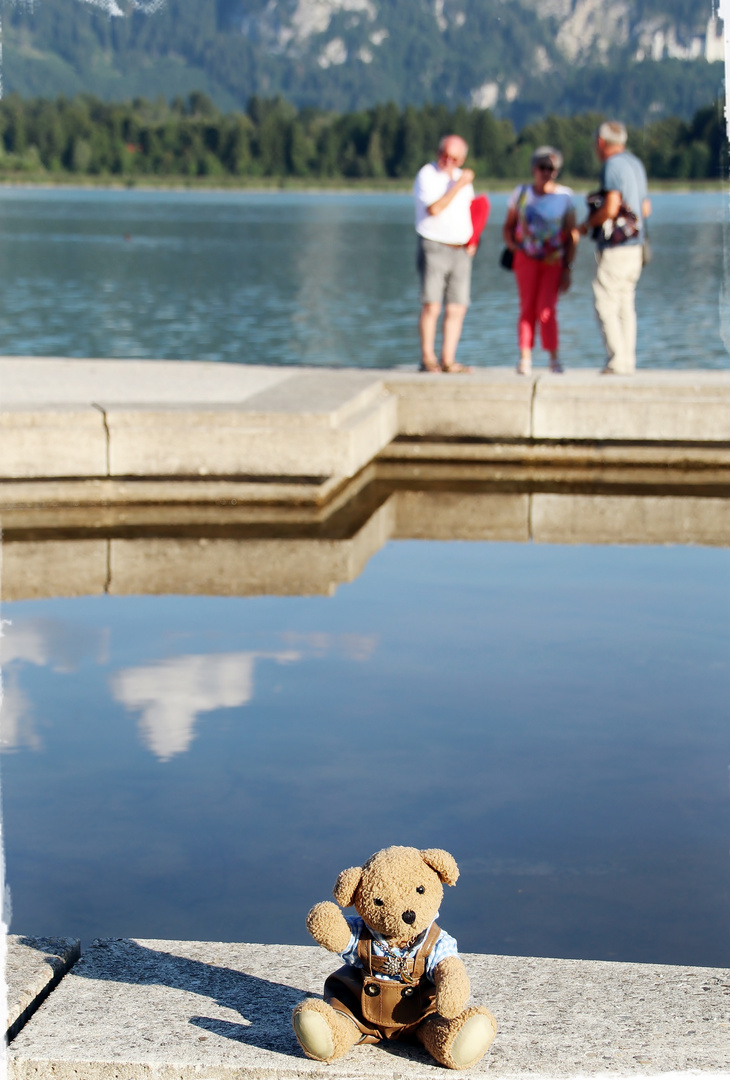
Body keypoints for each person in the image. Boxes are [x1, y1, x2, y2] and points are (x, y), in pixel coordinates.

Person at [579, 120, 651, 374]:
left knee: (604, 299)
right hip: (637, 245)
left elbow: (610, 208)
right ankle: (627, 360)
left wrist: (586, 225)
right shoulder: (635, 164)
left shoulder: (612, 166)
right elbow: (645, 208)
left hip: (617, 248)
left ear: (601, 142)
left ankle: (616, 359)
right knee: (624, 303)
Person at [502, 146, 576, 376]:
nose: (547, 173)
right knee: (527, 308)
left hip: (553, 261)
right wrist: (513, 245)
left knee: (546, 309)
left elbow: (572, 233)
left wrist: (568, 267)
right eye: (543, 168)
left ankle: (553, 357)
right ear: (534, 169)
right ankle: (525, 357)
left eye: (552, 169)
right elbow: (508, 226)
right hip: (526, 259)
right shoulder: (522, 193)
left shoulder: (565, 196)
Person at [413, 135, 476, 373]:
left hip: (460, 248)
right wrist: (456, 186)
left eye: (454, 158)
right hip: (434, 245)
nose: (448, 161)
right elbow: (435, 208)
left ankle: (448, 359)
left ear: (462, 159)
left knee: (457, 306)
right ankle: (428, 358)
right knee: (432, 305)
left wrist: (473, 239)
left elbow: (470, 211)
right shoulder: (427, 175)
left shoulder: (463, 179)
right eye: (445, 155)